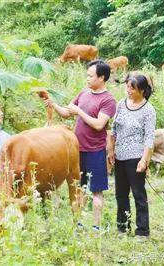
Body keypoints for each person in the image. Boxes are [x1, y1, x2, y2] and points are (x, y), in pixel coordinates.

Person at [44, 60, 116, 231]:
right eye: (87, 75)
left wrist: (79, 112)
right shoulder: (84, 93)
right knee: (79, 188)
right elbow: (67, 113)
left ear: (102, 77)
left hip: (95, 151)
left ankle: (96, 226)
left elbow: (99, 124)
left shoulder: (108, 100)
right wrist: (53, 104)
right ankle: (78, 223)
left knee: (96, 191)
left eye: (91, 76)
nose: (87, 79)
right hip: (76, 150)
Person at [108, 72, 156, 239]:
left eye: (132, 87)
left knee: (138, 194)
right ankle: (123, 227)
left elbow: (149, 137)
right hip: (120, 156)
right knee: (120, 194)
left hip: (136, 157)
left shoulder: (148, 110)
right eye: (127, 86)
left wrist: (145, 159)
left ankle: (142, 231)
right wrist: (111, 150)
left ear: (142, 90)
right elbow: (114, 129)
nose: (128, 90)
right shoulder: (121, 104)